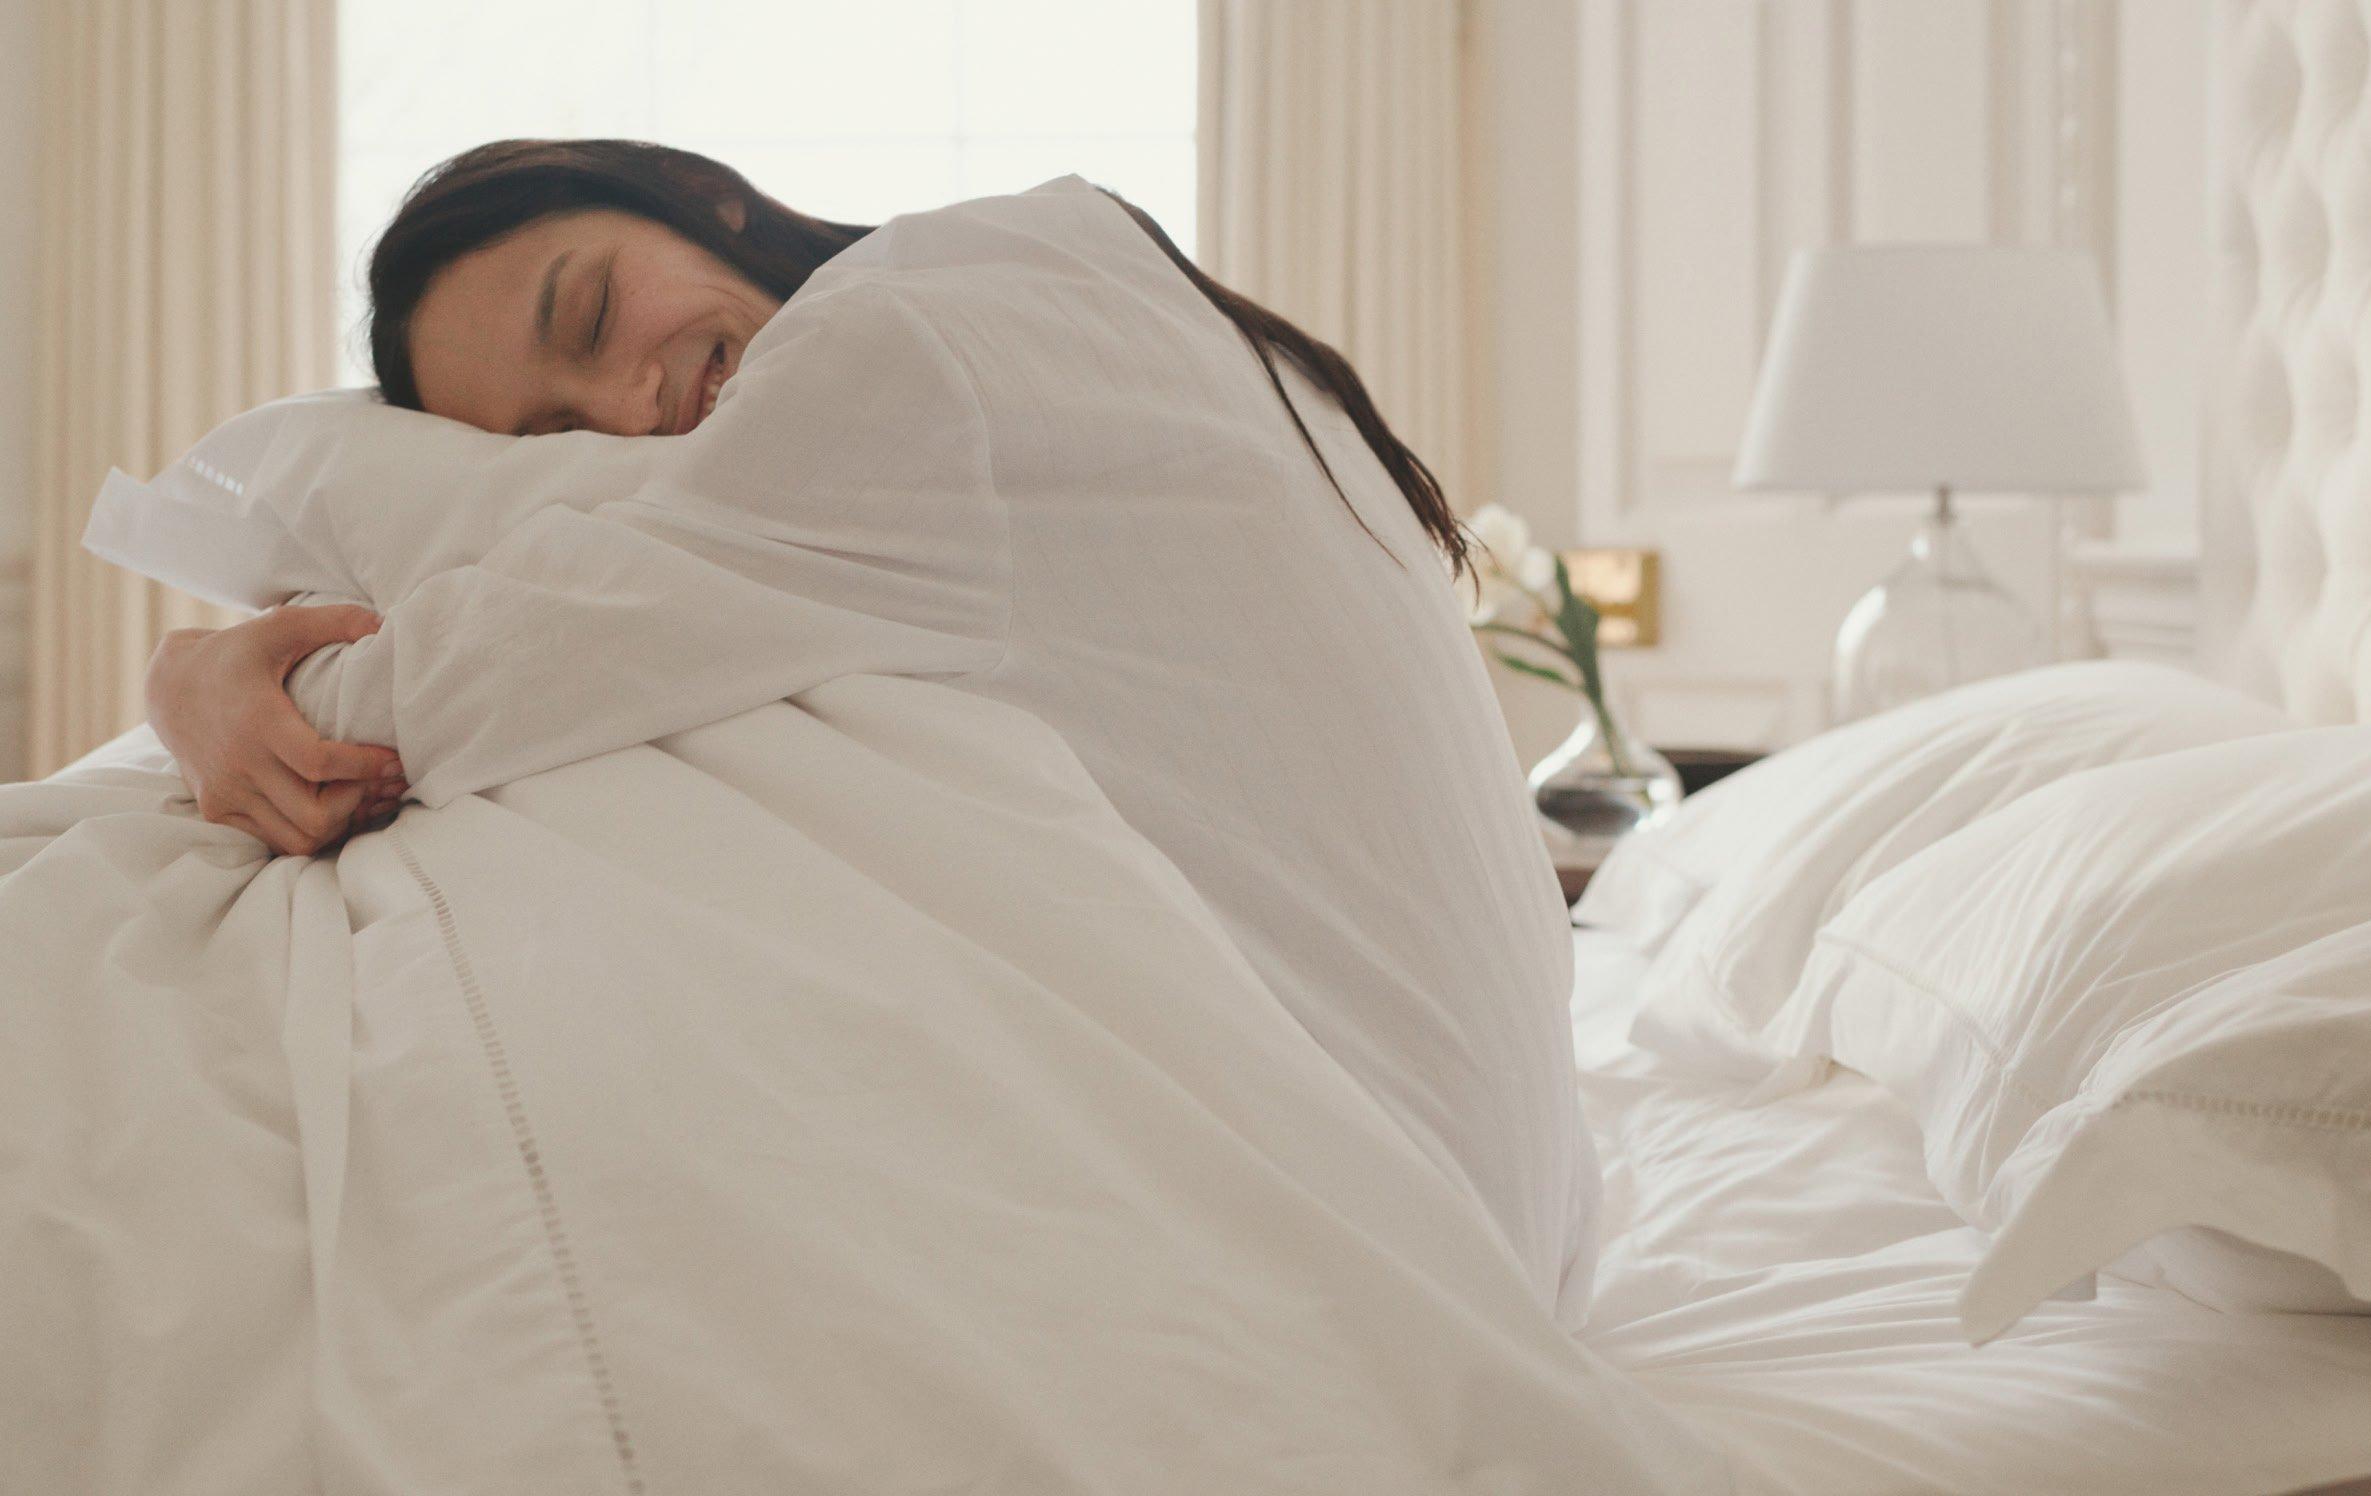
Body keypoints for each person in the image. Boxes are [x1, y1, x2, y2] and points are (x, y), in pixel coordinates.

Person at [141, 141, 1600, 1317]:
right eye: (549, 437)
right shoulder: (1067, 273)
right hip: (1499, 1200)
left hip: (1380, 1224)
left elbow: (470, 684)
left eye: (590, 317)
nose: (627, 411)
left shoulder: (893, 354)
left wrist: (197, 684)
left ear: (703, 201)